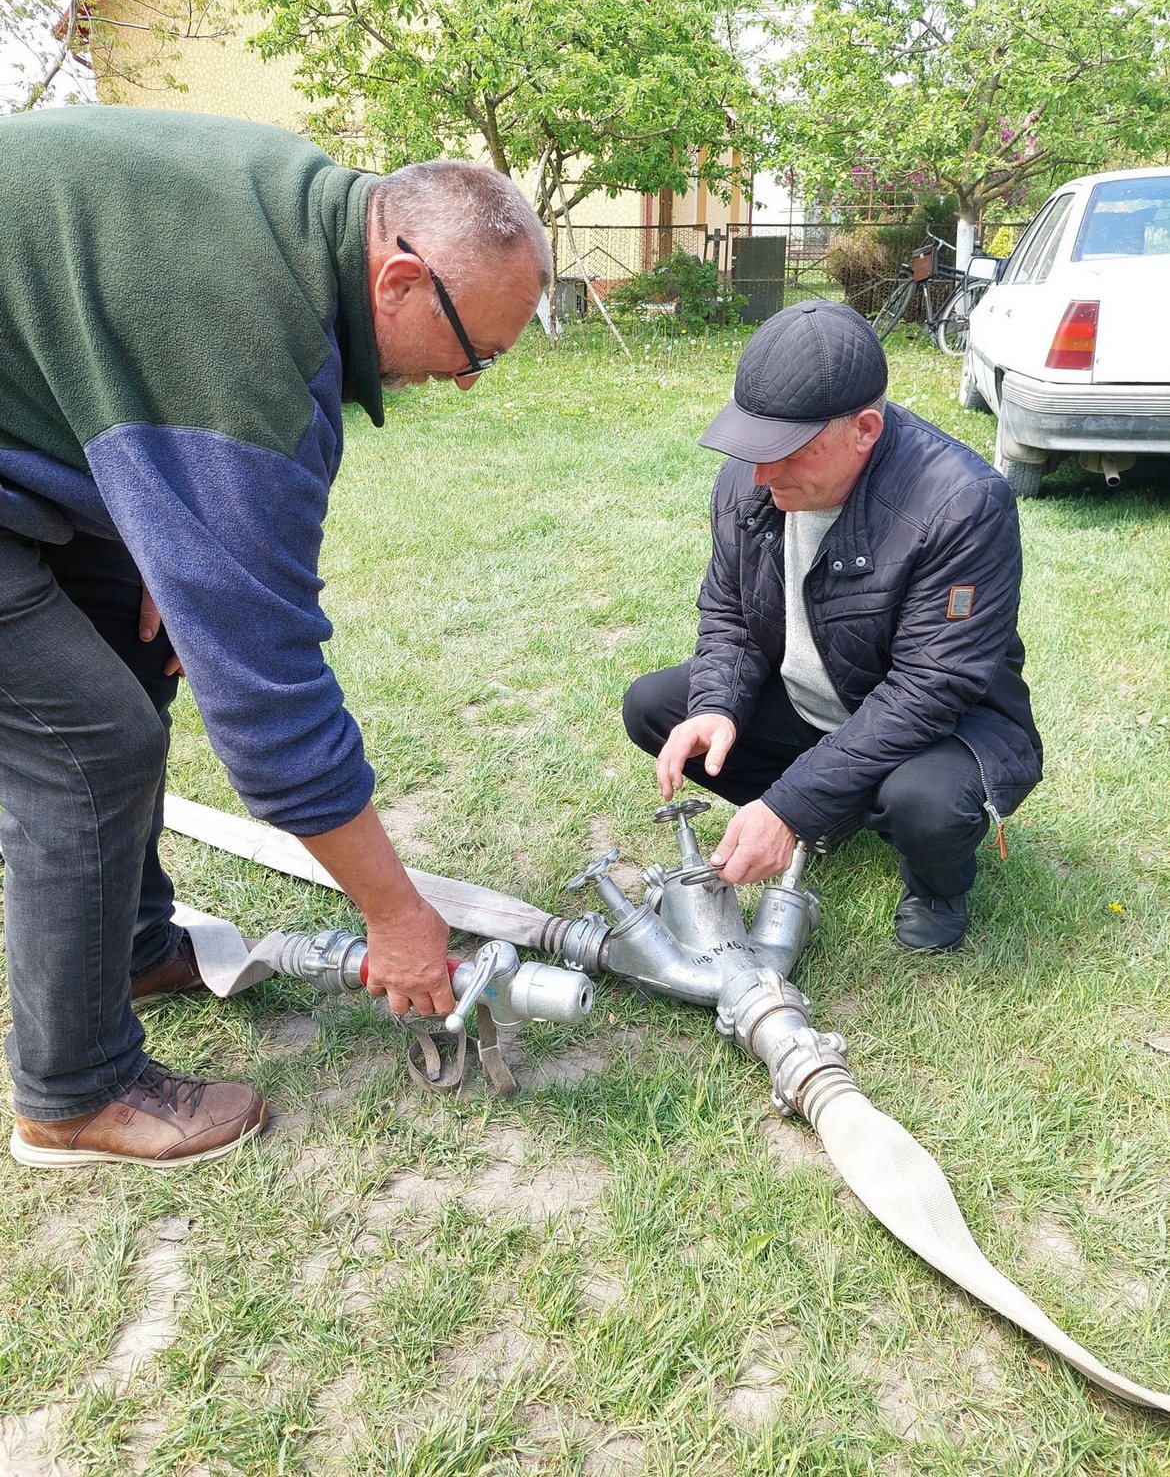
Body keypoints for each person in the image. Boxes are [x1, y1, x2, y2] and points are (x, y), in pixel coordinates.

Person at [0, 106, 551, 1169]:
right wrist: (395, 918)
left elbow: (102, 343)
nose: (470, 380)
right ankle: (71, 1094)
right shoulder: (255, 349)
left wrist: (171, 541)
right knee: (90, 745)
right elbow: (271, 700)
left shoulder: (301, 219)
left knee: (132, 635)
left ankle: (126, 950)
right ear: (395, 282)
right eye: (474, 349)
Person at [623, 300, 1043, 953]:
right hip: (812, 702)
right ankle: (833, 809)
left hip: (942, 727)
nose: (760, 475)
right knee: (656, 707)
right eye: (752, 446)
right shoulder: (750, 476)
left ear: (866, 429)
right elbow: (730, 615)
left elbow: (928, 691)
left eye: (785, 452)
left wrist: (788, 806)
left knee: (925, 807)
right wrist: (716, 708)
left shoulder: (963, 504)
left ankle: (936, 883)